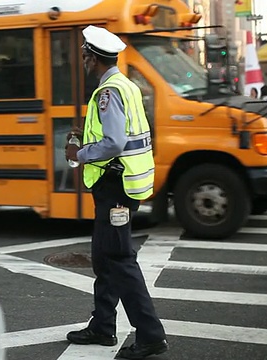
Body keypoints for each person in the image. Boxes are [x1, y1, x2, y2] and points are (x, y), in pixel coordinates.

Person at [64, 25, 168, 359]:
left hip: (116, 187)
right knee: (104, 256)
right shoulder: (127, 85)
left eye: (84, 54)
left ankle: (150, 335)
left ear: (92, 58)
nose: (82, 59)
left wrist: (78, 153)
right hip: (124, 183)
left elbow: (114, 143)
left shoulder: (107, 92)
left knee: (119, 259)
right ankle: (103, 325)